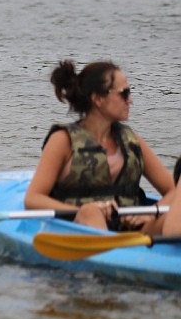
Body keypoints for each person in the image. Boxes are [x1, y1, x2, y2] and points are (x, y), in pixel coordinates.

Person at [25, 60, 178, 233]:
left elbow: (174, 191)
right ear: (98, 98)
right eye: (124, 93)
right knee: (91, 212)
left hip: (132, 229)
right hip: (81, 225)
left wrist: (151, 214)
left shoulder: (132, 140)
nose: (130, 100)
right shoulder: (63, 140)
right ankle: (108, 251)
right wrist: (81, 211)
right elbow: (33, 198)